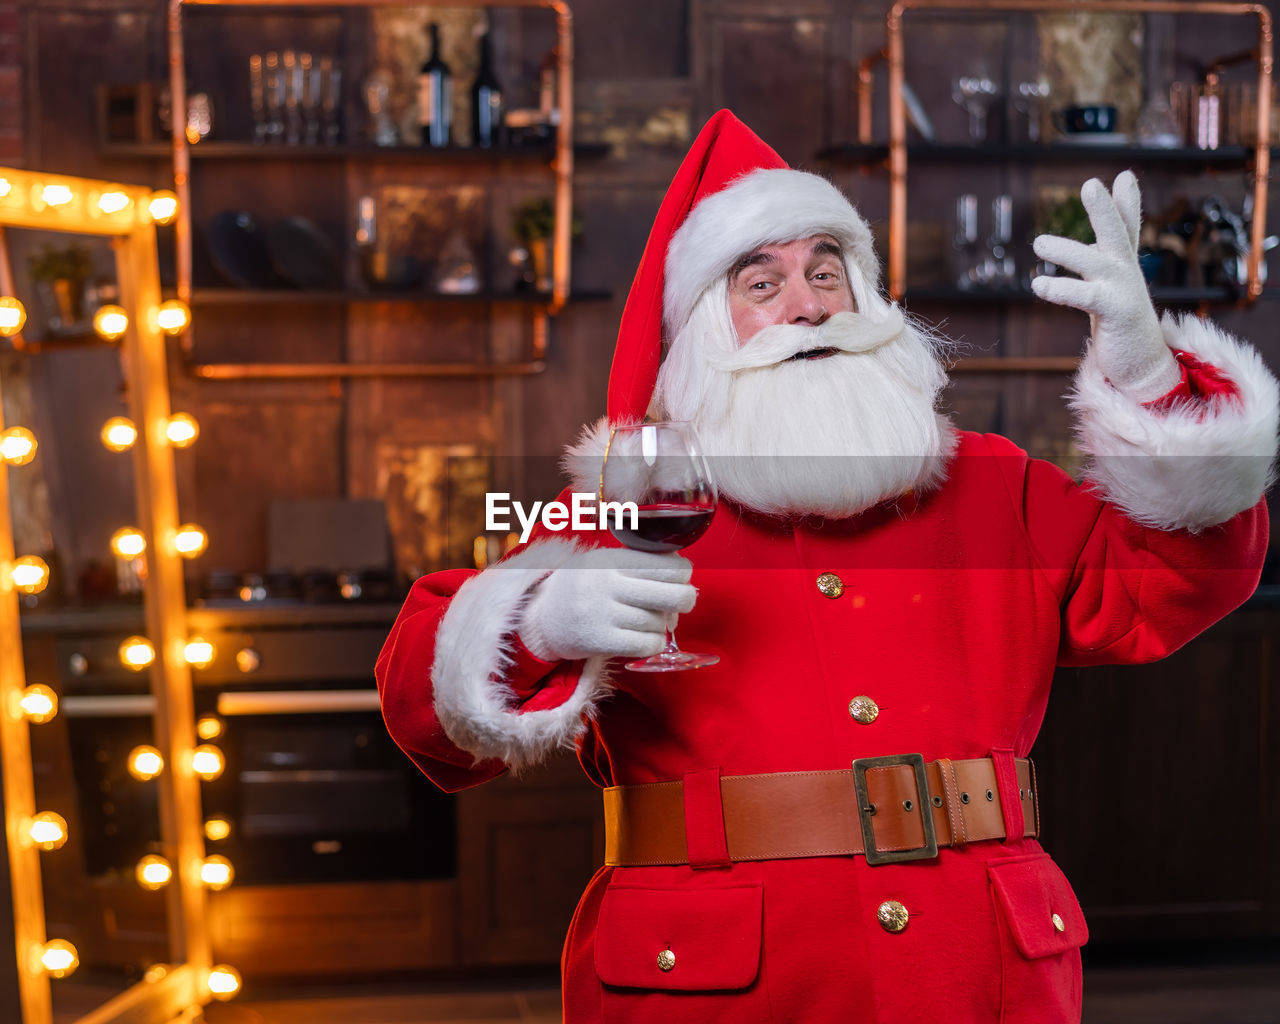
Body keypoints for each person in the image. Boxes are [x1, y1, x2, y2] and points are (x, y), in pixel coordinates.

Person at [376, 110, 1277, 1023]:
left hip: (976, 972)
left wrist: (1156, 382)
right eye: (759, 282)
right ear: (699, 336)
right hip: (711, 985)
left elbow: (1183, 577)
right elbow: (424, 714)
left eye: (824, 272)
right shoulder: (630, 507)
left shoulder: (995, 484)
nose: (806, 305)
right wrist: (531, 622)